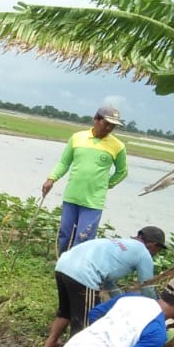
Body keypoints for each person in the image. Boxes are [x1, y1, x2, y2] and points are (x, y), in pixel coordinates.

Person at [42, 226, 167, 347]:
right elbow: (147, 286)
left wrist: (121, 300)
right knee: (86, 321)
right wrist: (158, 308)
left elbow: (108, 281)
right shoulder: (143, 253)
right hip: (83, 275)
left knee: (66, 311)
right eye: (159, 249)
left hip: (63, 266)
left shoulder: (120, 243)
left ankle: (50, 343)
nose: (157, 253)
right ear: (153, 245)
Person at [41, 104, 129, 254]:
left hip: (93, 201)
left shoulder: (118, 146)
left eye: (113, 126)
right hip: (72, 196)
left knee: (83, 237)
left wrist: (107, 184)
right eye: (106, 123)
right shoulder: (77, 138)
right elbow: (64, 162)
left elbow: (122, 171)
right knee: (64, 234)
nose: (109, 128)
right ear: (96, 119)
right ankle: (62, 262)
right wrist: (51, 179)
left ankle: (75, 268)